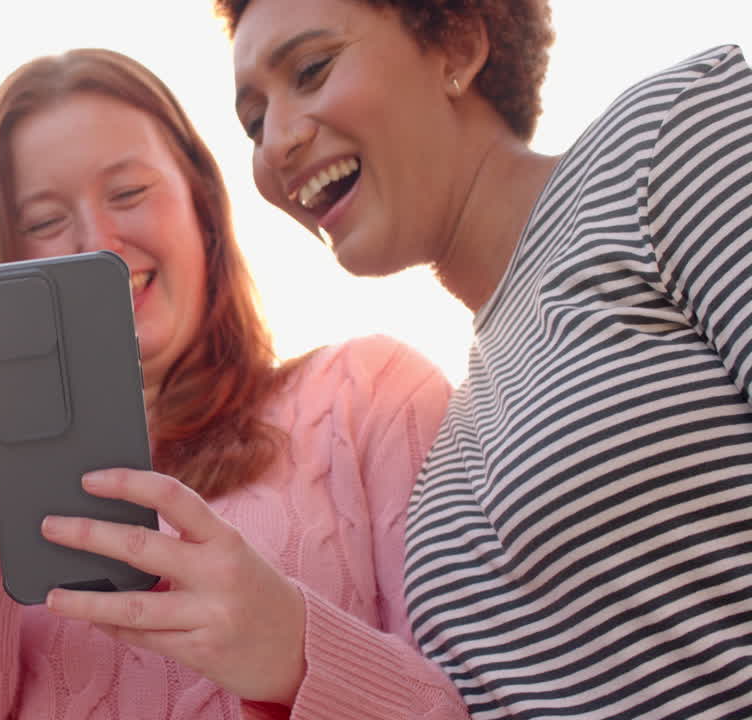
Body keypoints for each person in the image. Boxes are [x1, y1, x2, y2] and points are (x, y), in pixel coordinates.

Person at [0, 47, 462, 718]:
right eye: (44, 221)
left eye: (129, 193)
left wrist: (294, 653)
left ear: (202, 208)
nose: (97, 241)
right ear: (6, 259)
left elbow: (482, 698)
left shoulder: (366, 395)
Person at [219, 0, 752, 716]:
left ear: (458, 45)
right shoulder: (444, 458)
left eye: (312, 70)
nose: (276, 142)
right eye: (253, 122)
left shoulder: (669, 140)